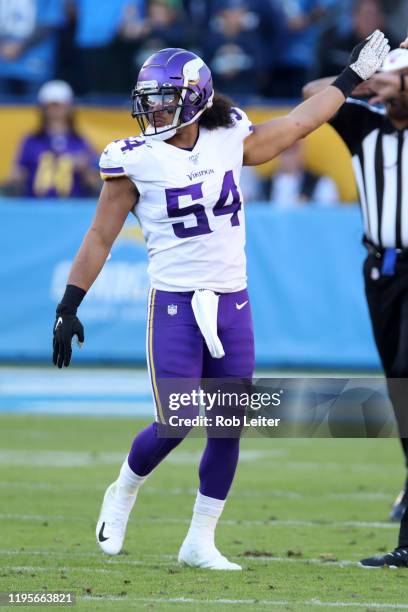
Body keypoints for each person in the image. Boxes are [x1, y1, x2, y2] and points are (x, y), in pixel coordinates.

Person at [52, 37, 389, 569]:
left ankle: (200, 539)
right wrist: (70, 303)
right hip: (176, 305)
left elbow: (301, 122)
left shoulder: (229, 134)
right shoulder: (133, 159)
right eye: (150, 99)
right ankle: (122, 491)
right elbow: (99, 237)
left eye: (164, 99)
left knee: (229, 422)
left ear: (193, 99)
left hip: (231, 301)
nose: (154, 109)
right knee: (175, 420)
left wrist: (350, 77)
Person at [303, 43, 408, 534]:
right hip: (381, 272)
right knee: (397, 383)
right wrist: (362, 77)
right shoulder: (366, 126)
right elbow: (311, 96)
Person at [3, 80, 100, 198]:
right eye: (50, 106)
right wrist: (15, 178)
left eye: (59, 106)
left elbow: (94, 183)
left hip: (73, 209)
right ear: (43, 108)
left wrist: (86, 170)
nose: (55, 111)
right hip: (32, 208)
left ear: (69, 107)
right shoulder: (30, 141)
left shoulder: (81, 142)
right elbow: (17, 175)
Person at [268, 140, 339, 206]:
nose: (289, 156)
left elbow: (329, 215)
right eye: (285, 151)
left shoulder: (322, 183)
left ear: (302, 152)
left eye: (293, 150)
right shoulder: (264, 185)